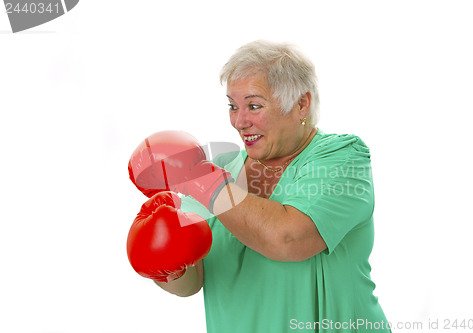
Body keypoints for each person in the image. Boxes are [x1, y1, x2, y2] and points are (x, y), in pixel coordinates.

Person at [127, 40, 391, 332]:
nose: (239, 122)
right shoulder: (223, 168)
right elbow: (194, 280)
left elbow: (288, 238)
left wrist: (201, 179)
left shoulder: (341, 157)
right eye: (232, 106)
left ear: (301, 104)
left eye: (254, 106)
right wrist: (164, 265)